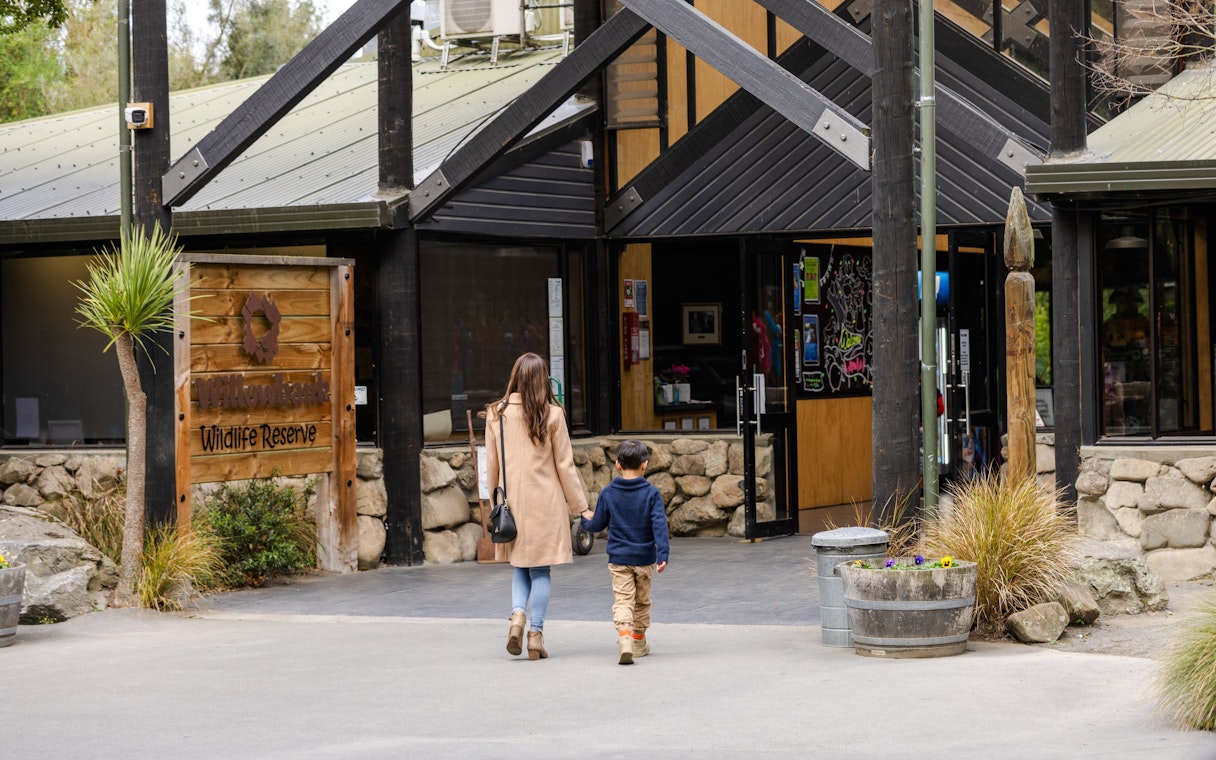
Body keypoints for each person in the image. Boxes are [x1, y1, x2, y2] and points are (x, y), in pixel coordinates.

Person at [485, 352, 589, 660]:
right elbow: (565, 466)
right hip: (545, 501)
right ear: (543, 380)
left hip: (512, 501)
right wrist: (581, 507)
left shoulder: (496, 413)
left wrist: (495, 503)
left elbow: (492, 466)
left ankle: (517, 616)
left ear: (515, 377)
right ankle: (535, 634)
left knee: (520, 565)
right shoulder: (553, 415)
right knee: (540, 569)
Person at [578, 439, 670, 665]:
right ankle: (639, 642)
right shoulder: (651, 493)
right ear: (644, 465)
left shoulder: (608, 493)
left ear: (617, 464)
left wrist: (584, 520)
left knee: (623, 600)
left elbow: (597, 524)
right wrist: (663, 554)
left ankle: (625, 638)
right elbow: (659, 525)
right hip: (645, 559)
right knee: (642, 601)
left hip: (619, 560)